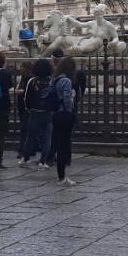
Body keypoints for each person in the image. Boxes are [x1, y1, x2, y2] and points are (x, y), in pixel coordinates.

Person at [19, 58, 54, 169]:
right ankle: (43, 161)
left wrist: (28, 108)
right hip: (48, 112)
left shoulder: (32, 81)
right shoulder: (51, 81)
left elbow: (27, 97)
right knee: (47, 138)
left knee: (30, 136)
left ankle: (26, 158)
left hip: (34, 112)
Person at [51, 57, 79, 186]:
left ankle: (61, 175)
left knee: (58, 143)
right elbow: (67, 99)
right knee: (64, 145)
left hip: (56, 114)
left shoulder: (55, 79)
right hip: (64, 114)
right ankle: (62, 177)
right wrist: (71, 103)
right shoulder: (67, 81)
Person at [14, 60, 33, 162]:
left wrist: (20, 91)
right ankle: (28, 149)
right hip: (22, 106)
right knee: (26, 128)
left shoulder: (29, 78)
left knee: (25, 129)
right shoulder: (23, 78)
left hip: (27, 107)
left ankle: (23, 150)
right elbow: (18, 89)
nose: (19, 68)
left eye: (21, 66)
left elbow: (24, 90)